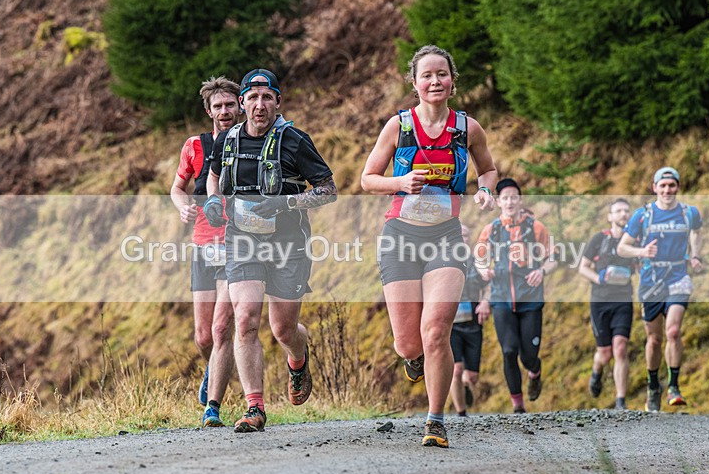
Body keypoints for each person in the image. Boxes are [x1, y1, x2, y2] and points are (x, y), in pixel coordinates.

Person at [361, 45, 498, 448]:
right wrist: (399, 183)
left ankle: (435, 421)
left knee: (436, 330)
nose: (435, 81)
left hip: (446, 236)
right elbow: (368, 179)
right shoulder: (398, 127)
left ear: (452, 81)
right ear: (415, 83)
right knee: (408, 342)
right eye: (427, 75)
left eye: (442, 74)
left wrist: (486, 190)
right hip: (401, 236)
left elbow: (487, 168)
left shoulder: (467, 128)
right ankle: (414, 359)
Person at [204, 68, 337, 433]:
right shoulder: (227, 139)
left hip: (289, 244)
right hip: (241, 240)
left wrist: (286, 203)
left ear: (278, 101)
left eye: (267, 98)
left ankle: (299, 356)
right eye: (253, 98)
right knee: (245, 318)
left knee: (283, 330)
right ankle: (255, 407)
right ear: (243, 101)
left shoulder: (294, 140)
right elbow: (214, 174)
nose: (259, 105)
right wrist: (214, 201)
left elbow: (328, 189)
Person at [169, 76, 240, 427]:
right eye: (218, 106)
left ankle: (213, 405)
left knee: (222, 328)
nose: (224, 111)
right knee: (202, 336)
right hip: (202, 244)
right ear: (208, 110)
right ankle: (214, 368)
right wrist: (182, 206)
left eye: (230, 104)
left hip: (237, 244)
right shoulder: (195, 146)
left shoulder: (250, 142)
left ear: (239, 106)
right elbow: (177, 187)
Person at [617, 167, 703, 412]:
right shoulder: (642, 216)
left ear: (677, 187)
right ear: (654, 187)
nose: (667, 190)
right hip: (651, 281)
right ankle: (653, 385)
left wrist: (695, 255)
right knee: (654, 339)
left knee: (673, 331)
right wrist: (642, 252)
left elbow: (697, 231)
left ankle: (674, 387)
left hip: (678, 277)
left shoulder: (689, 213)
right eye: (662, 186)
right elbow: (622, 248)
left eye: (671, 185)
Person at [475, 178, 557, 414]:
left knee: (529, 356)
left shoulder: (535, 227)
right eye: (504, 198)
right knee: (509, 351)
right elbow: (479, 258)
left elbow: (553, 257)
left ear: (520, 200)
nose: (509, 201)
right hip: (501, 298)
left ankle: (535, 372)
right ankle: (517, 405)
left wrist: (541, 271)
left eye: (513, 197)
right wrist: (484, 270)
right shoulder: (492, 230)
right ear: (499, 202)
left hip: (530, 300)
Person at [577, 198, 635, 410]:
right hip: (600, 302)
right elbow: (583, 267)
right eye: (618, 211)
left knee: (620, 348)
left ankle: (620, 401)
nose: (623, 214)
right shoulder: (599, 239)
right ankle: (597, 371)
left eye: (626, 211)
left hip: (623, 300)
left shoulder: (633, 240)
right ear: (610, 216)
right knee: (605, 353)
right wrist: (599, 278)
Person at [449, 224, 489, 416]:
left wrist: (485, 302)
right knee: (455, 370)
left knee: (471, 376)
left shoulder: (477, 263)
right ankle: (461, 414)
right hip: (451, 324)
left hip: (473, 322)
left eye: (466, 235)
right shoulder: (444, 262)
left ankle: (466, 385)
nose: (462, 239)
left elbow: (490, 285)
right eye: (459, 235)